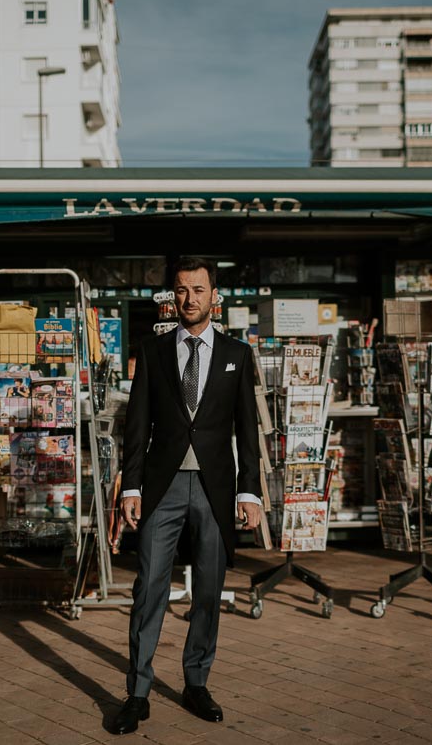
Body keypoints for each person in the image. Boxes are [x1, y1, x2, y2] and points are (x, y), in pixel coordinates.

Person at [109, 257, 262, 735]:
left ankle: (196, 682)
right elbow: (137, 426)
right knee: (149, 586)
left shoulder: (238, 353)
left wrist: (251, 491)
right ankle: (137, 693)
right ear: (171, 297)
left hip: (216, 488)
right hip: (162, 486)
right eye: (181, 290)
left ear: (213, 296)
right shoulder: (152, 352)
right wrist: (131, 485)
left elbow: (247, 430)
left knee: (209, 592)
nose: (189, 299)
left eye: (198, 290)